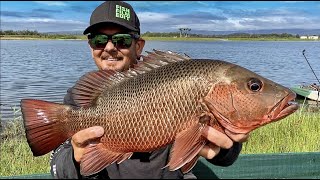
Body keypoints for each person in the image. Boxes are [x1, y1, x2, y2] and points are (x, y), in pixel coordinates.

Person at [50, 1, 250, 179]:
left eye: (122, 40)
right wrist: (76, 156)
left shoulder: (174, 82)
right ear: (91, 46)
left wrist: (225, 147)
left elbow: (225, 158)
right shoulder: (80, 98)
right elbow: (57, 167)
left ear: (138, 46)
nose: (109, 48)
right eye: (99, 40)